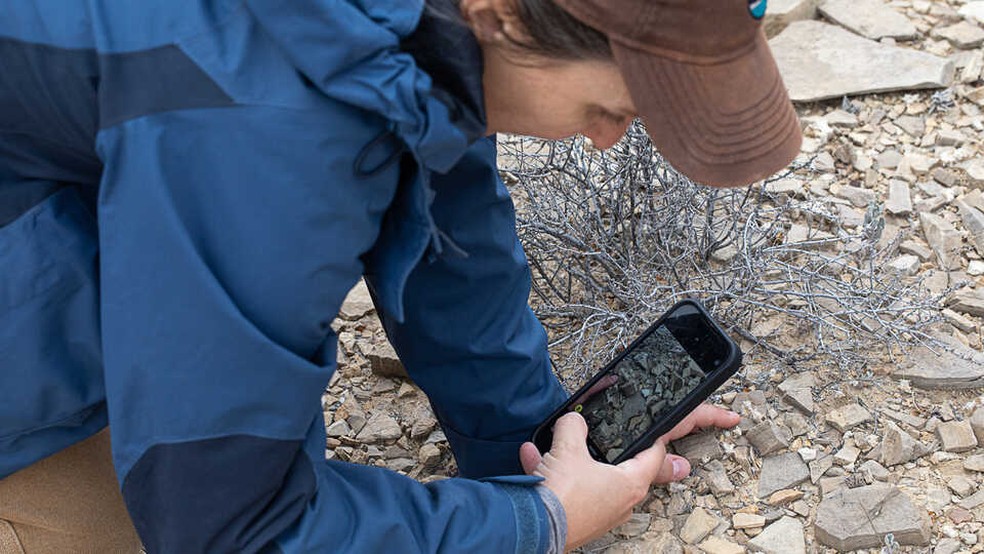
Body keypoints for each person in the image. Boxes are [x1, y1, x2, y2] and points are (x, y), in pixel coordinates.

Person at [0, 0, 800, 552]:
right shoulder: (263, 130)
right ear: (505, 14)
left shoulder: (423, 34)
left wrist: (541, 444)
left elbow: (454, 237)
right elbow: (237, 529)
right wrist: (540, 525)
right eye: (611, 107)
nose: (604, 141)